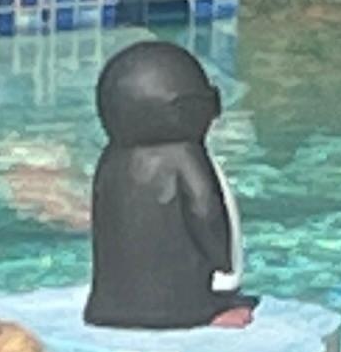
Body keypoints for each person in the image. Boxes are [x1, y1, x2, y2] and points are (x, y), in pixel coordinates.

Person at [79, 39, 254, 330]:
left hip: (110, 303)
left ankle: (120, 307)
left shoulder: (110, 163)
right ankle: (200, 310)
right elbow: (205, 214)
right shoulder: (185, 158)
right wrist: (223, 264)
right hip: (177, 303)